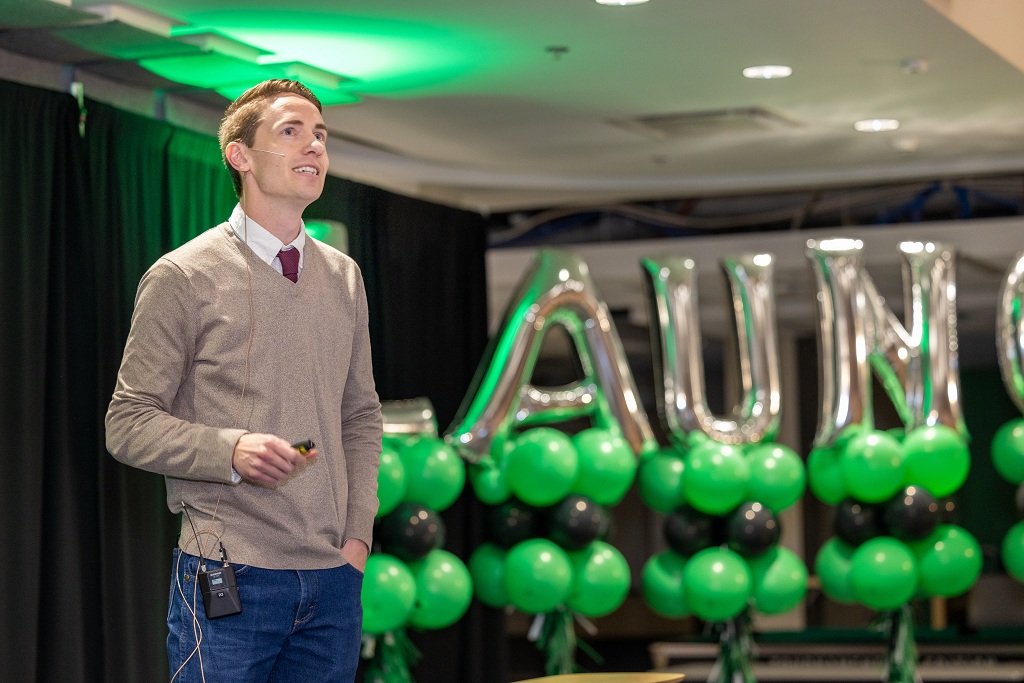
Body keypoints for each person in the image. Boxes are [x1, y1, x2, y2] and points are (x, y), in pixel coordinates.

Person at [105, 79, 381, 683]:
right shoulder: (183, 275)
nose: (314, 147)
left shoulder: (345, 277)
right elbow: (127, 423)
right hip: (230, 575)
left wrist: (356, 539)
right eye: (292, 132)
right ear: (240, 155)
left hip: (334, 580)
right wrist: (229, 450)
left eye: (320, 136)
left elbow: (360, 416)